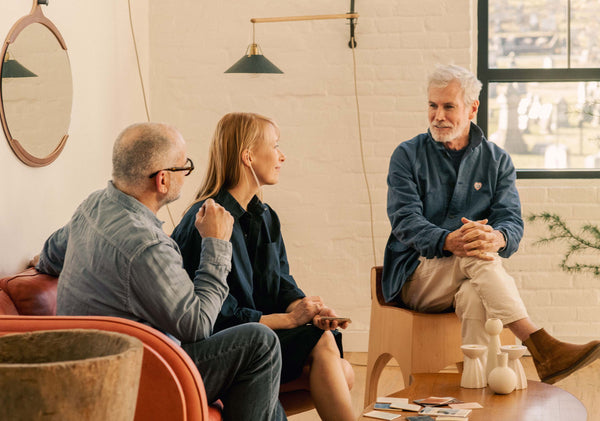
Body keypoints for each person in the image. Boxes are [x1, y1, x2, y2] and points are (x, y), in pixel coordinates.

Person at [35, 122, 287, 421]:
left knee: (258, 372)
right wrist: (216, 244)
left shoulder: (93, 206)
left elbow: (50, 256)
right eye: (185, 167)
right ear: (163, 181)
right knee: (260, 343)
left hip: (94, 360)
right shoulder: (147, 245)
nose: (187, 173)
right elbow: (198, 325)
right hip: (139, 373)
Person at [382, 64, 600, 385]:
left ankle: (478, 389)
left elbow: (511, 221)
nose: (438, 115)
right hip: (416, 278)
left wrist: (496, 237)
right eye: (432, 105)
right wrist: (448, 240)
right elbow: (405, 221)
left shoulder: (497, 160)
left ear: (473, 108)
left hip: (469, 276)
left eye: (448, 106)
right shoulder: (407, 155)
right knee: (472, 248)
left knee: (473, 290)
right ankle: (540, 345)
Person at [171, 112, 355, 421]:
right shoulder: (205, 222)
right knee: (327, 355)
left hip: (260, 337)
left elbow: (281, 282)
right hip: (224, 346)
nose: (282, 156)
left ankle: (252, 404)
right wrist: (290, 320)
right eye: (276, 145)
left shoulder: (266, 217)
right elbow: (218, 319)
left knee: (342, 369)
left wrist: (307, 308)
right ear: (248, 156)